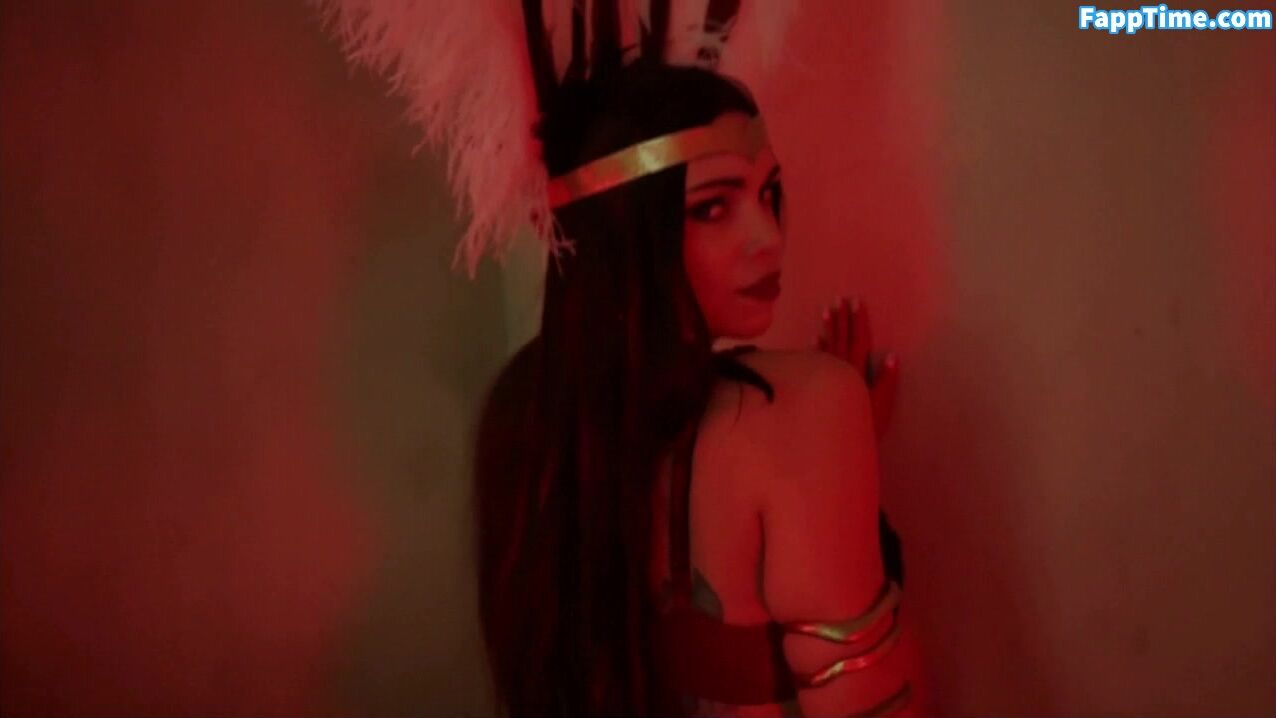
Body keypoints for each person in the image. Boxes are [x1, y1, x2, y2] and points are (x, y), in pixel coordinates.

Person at [321, 2, 927, 716]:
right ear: (623, 232)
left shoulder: (525, 412)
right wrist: (835, 451)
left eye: (770, 195)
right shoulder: (806, 404)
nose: (767, 236)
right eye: (713, 207)